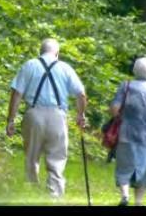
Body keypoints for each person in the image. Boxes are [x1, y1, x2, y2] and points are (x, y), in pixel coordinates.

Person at [6, 38, 87, 198]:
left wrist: (11, 119)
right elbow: (81, 94)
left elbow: (17, 94)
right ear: (57, 53)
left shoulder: (29, 65)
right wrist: (80, 114)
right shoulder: (65, 68)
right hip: (58, 116)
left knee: (31, 154)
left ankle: (31, 190)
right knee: (57, 156)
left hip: (33, 115)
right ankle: (54, 194)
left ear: (40, 51)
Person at [109, 57, 146, 206]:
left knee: (124, 168)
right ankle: (139, 202)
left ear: (134, 71)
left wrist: (119, 116)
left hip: (125, 135)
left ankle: (124, 195)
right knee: (143, 173)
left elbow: (114, 109)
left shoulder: (126, 86)